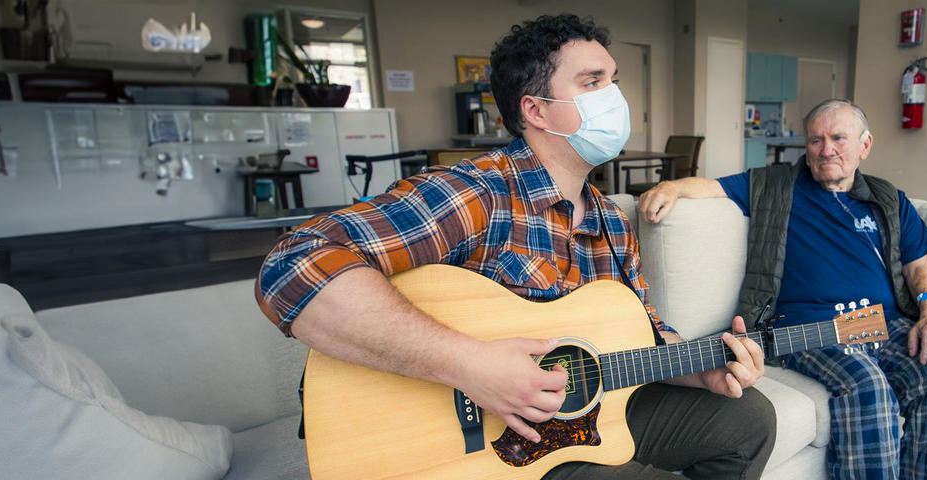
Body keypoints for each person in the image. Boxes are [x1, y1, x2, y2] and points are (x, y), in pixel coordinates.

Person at [256, 14, 775, 479]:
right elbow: (293, 264)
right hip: (492, 447)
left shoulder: (614, 221)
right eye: (592, 83)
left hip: (580, 418)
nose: (614, 98)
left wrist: (701, 371)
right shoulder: (477, 192)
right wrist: (470, 366)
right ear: (537, 111)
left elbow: (643, 342)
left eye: (613, 81)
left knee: (749, 417)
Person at [638, 99, 927, 480]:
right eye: (816, 140)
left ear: (865, 145)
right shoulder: (774, 186)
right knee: (867, 384)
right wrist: (670, 186)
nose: (826, 149)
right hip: (811, 326)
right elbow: (709, 185)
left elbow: (920, 268)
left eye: (838, 138)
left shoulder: (888, 199)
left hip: (881, 322)